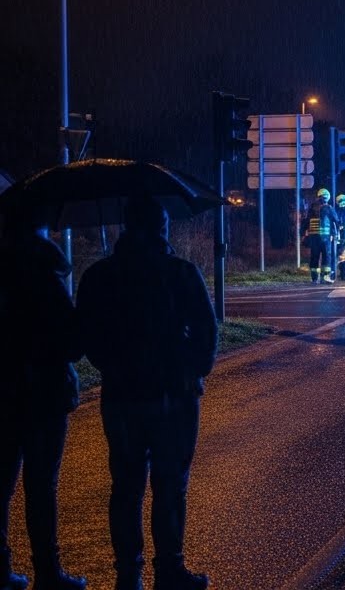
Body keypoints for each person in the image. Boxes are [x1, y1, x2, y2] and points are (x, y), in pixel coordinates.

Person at [76, 195, 218, 590]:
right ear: (162, 228)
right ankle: (169, 569)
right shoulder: (180, 272)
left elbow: (87, 335)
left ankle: (128, 573)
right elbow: (207, 330)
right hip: (173, 394)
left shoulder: (100, 275)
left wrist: (115, 366)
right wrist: (192, 370)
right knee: (170, 484)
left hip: (122, 396)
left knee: (126, 484)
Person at [0, 196, 87, 590]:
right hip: (43, 395)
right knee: (40, 488)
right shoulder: (46, 273)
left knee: (0, 485)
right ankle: (48, 573)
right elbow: (71, 342)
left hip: (3, 392)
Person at [303, 188, 339, 284]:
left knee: (314, 256)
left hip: (314, 237)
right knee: (326, 256)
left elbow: (306, 221)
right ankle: (325, 277)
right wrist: (336, 234)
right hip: (326, 238)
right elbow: (336, 221)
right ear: (327, 197)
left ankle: (314, 278)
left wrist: (304, 233)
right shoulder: (329, 208)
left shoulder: (312, 208)